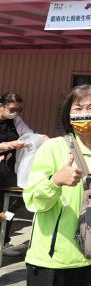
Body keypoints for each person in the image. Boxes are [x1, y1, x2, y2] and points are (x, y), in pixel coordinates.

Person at [23, 85, 91, 286]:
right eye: (78, 108)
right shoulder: (53, 148)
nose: (85, 114)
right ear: (68, 114)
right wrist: (55, 181)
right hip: (52, 257)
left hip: (90, 254)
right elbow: (33, 200)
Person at [0, 91, 33, 255]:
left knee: (14, 202)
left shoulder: (16, 121)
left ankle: (3, 240)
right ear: (1, 106)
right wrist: (7, 145)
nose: (15, 113)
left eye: (19, 110)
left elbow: (29, 135)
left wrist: (40, 139)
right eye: (12, 109)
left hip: (7, 170)